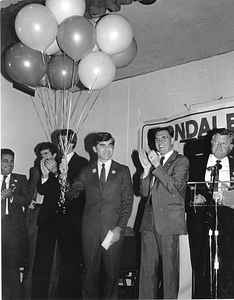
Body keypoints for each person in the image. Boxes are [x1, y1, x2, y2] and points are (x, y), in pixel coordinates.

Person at [60, 132, 134, 299]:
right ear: (94, 149)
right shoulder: (86, 171)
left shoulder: (122, 171)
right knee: (90, 273)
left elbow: (127, 203)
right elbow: (72, 194)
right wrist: (63, 177)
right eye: (102, 145)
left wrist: (119, 227)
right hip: (90, 230)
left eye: (110, 145)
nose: (107, 149)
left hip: (112, 230)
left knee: (111, 274)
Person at [32, 134, 88, 300]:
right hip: (49, 218)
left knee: (70, 264)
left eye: (65, 141)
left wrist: (56, 171)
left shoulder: (82, 164)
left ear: (73, 143)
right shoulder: (51, 160)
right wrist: (44, 175)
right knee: (42, 262)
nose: (61, 144)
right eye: (59, 141)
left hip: (70, 220)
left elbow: (75, 193)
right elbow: (43, 191)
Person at [138, 126, 189, 299]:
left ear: (172, 140)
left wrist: (157, 166)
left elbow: (175, 187)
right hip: (148, 220)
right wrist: (145, 171)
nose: (160, 142)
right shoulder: (154, 162)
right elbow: (144, 193)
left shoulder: (181, 161)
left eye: (164, 138)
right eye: (157, 139)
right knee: (146, 271)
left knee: (169, 271)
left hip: (168, 222)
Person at [187, 128, 234, 299]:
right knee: (202, 267)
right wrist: (192, 198)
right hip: (201, 222)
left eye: (224, 143)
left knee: (228, 267)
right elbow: (183, 189)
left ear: (231, 146)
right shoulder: (195, 163)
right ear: (210, 143)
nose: (219, 146)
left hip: (230, 223)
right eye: (215, 142)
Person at [1, 148, 31, 300]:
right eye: (5, 161)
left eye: (11, 161)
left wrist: (12, 196)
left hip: (12, 230)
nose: (9, 164)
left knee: (12, 268)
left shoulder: (20, 179)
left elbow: (27, 199)